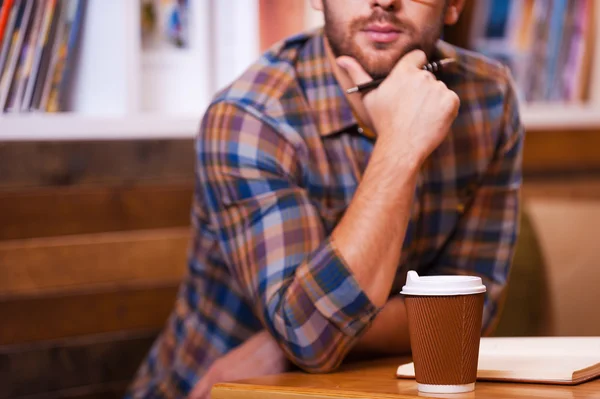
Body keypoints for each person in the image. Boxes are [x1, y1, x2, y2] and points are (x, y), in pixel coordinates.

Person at [126, 0, 524, 397]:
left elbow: (470, 314)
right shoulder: (252, 116)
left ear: (454, 5)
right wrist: (400, 143)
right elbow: (311, 339)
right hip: (213, 388)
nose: (384, 1)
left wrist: (285, 343)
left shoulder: (489, 97)